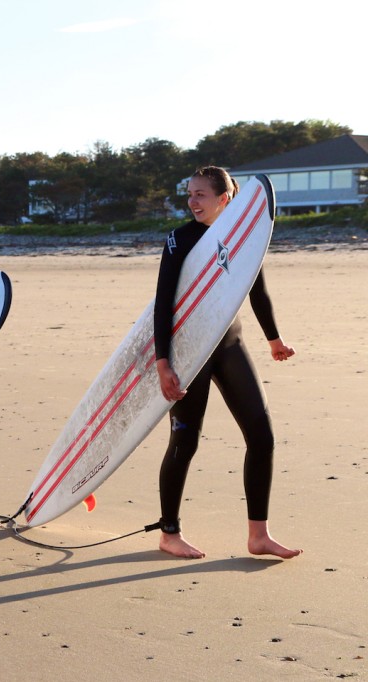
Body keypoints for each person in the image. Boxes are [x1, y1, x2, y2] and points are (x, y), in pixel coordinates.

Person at [154, 166, 301, 560]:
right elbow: (163, 302)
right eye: (189, 194)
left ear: (224, 198)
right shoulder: (178, 240)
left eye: (200, 194)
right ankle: (169, 533)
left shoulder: (243, 238)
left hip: (230, 343)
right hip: (190, 350)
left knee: (262, 436)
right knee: (185, 441)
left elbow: (258, 291)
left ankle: (259, 535)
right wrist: (163, 361)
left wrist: (274, 339)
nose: (192, 201)